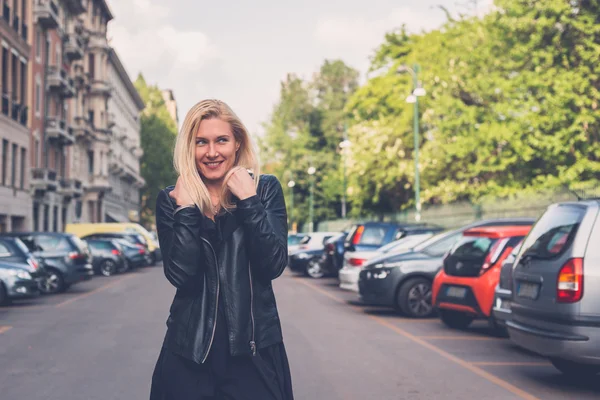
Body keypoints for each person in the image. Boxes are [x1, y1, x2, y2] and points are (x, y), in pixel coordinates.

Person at [150, 99, 294, 400]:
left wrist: (249, 202)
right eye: (201, 142)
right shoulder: (172, 199)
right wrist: (187, 209)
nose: (212, 152)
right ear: (190, 147)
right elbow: (181, 276)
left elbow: (273, 265)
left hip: (254, 353)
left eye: (221, 140)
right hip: (189, 353)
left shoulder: (264, 189)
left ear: (237, 143)